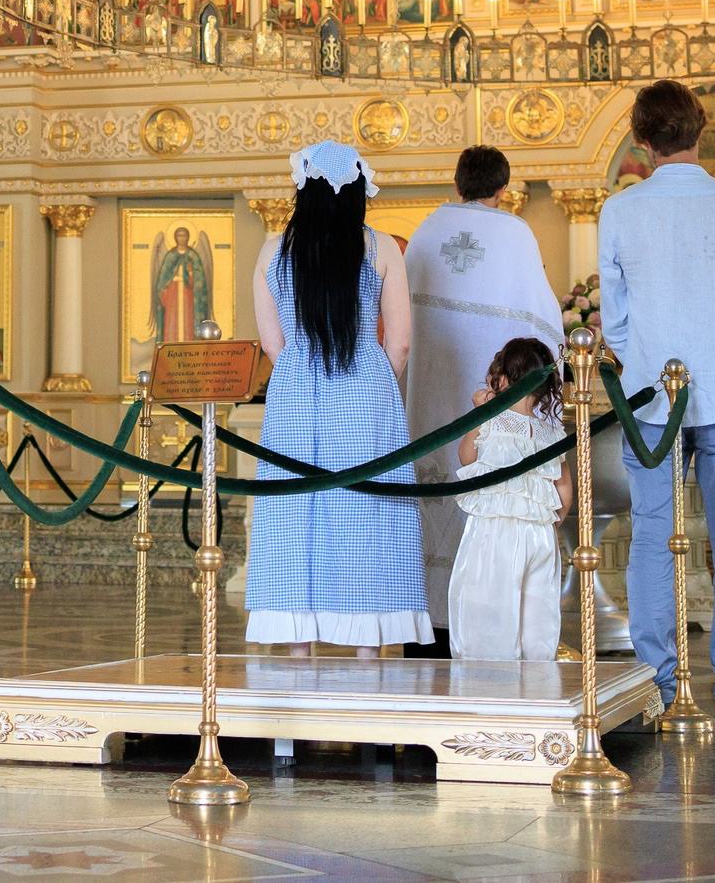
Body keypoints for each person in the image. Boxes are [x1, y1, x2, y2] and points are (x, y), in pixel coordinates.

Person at [599, 80, 715, 729]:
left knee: (653, 538)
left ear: (641, 141)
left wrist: (650, 355)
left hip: (651, 399)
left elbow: (614, 322)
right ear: (701, 130)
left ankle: (660, 687)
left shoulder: (620, 210)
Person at [244, 141, 432, 662]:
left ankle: (299, 649)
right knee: (368, 510)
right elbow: (400, 342)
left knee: (296, 508)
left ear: (302, 189)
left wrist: (302, 376)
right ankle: (369, 651)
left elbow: (271, 344)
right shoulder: (381, 248)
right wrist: (377, 382)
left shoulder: (273, 250)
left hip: (296, 389)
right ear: (358, 191)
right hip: (365, 384)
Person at [401, 146, 564, 652]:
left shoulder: (426, 230)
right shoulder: (515, 233)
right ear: (503, 189)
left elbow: (403, 324)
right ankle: (501, 637)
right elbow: (545, 323)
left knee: (433, 503)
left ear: (456, 184)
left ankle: (427, 626)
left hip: (432, 396)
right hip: (502, 401)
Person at [449, 337, 571, 661]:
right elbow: (564, 490)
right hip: (540, 535)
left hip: (494, 532)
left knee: (488, 607)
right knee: (537, 614)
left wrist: (480, 412)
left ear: (502, 377)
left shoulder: (491, 418)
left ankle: (491, 687)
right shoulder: (550, 433)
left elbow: (466, 457)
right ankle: (537, 684)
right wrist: (548, 524)